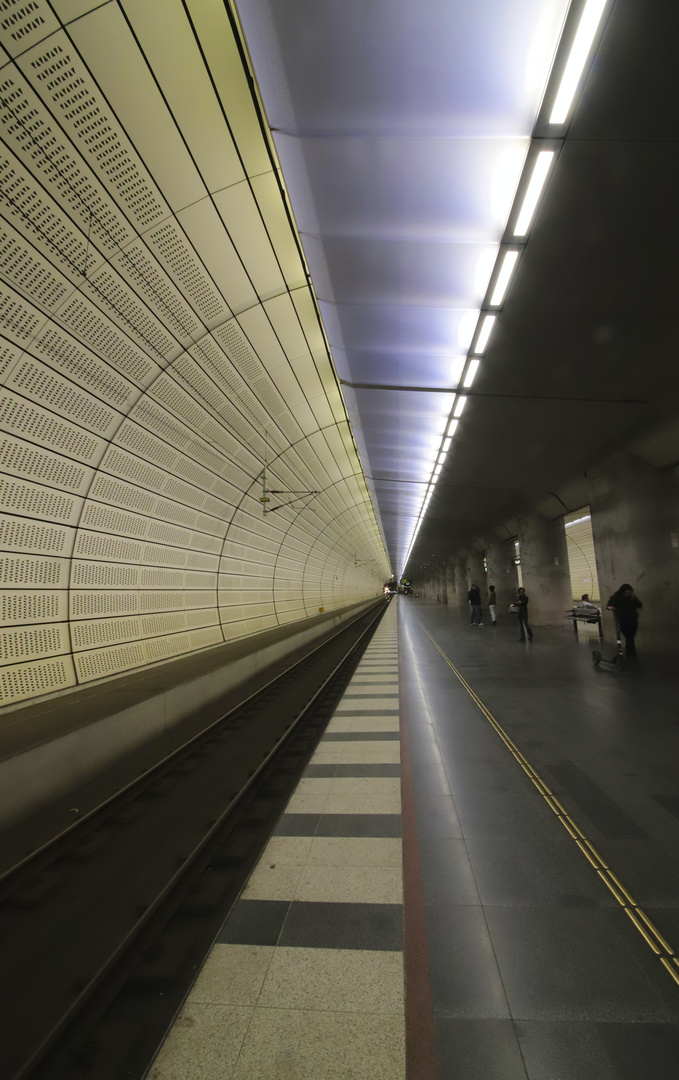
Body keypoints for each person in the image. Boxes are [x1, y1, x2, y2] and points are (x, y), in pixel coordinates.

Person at [606, 583, 642, 658]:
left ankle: (630, 656)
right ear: (622, 592)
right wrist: (611, 607)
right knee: (629, 638)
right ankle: (631, 656)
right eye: (626, 593)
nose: (628, 594)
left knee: (630, 638)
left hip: (633, 620)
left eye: (629, 593)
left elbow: (639, 605)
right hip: (623, 620)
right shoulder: (616, 597)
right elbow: (609, 605)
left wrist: (634, 599)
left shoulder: (632, 597)